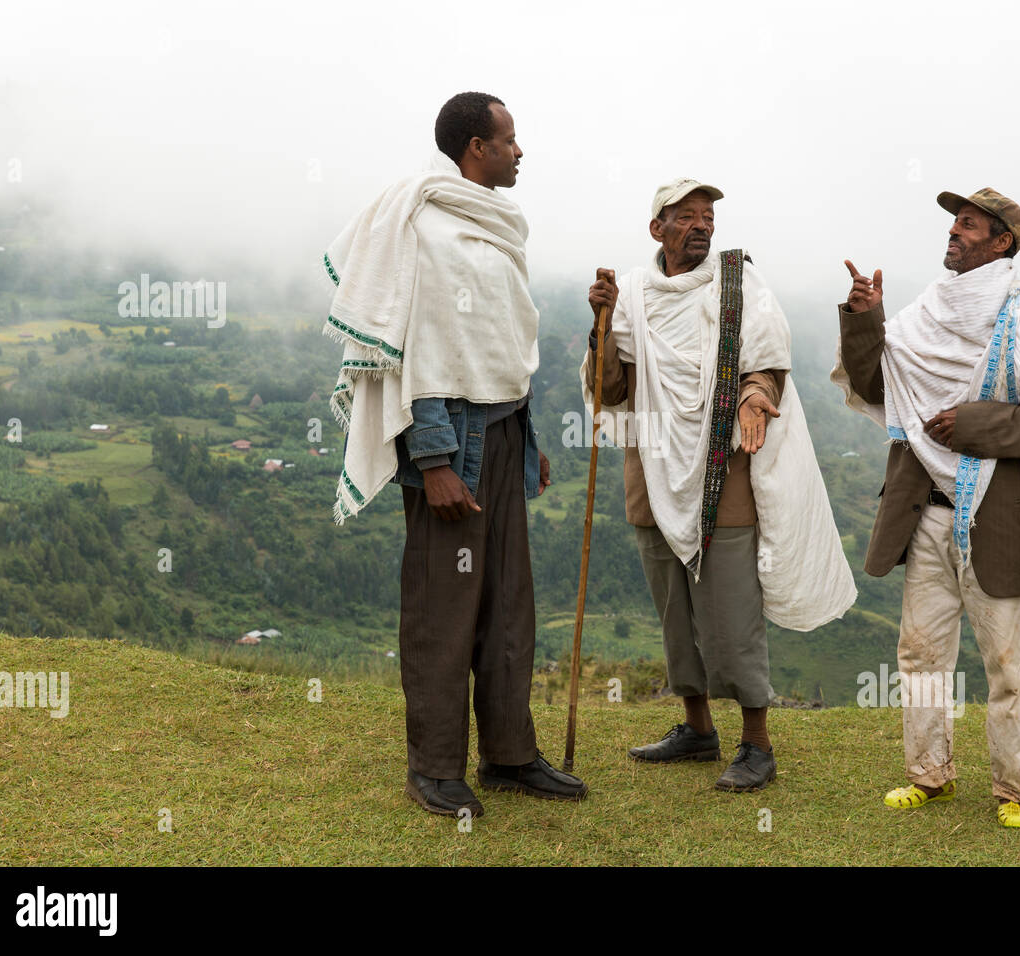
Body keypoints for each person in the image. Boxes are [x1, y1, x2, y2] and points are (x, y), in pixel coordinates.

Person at [323, 91, 586, 818]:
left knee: (508, 602)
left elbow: (495, 344)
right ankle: (434, 768)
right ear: (476, 146)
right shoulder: (430, 233)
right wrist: (433, 462)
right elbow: (423, 351)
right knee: (446, 607)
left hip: (501, 433)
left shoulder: (492, 225)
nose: (519, 150)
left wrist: (526, 443)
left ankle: (508, 755)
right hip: (452, 445)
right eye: (509, 139)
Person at [831, 188, 1020, 827]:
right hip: (925, 510)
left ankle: (1016, 792)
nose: (952, 233)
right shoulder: (924, 312)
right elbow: (876, 384)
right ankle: (929, 777)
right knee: (920, 653)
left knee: (1006, 662)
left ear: (1002, 241)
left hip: (1001, 513)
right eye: (954, 223)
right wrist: (865, 317)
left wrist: (979, 424)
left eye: (968, 225)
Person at [583, 179, 855, 792]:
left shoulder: (739, 282)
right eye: (686, 217)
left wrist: (757, 398)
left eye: (707, 217)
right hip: (651, 467)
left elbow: (767, 357)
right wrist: (600, 324)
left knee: (730, 609)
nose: (701, 226)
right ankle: (697, 728)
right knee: (674, 609)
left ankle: (756, 742)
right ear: (657, 229)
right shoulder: (631, 292)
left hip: (723, 466)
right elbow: (614, 388)